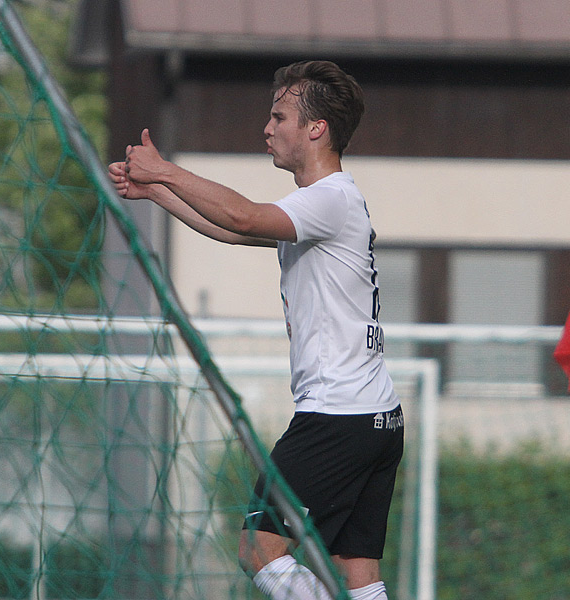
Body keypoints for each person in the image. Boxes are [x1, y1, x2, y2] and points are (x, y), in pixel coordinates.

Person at [109, 60, 403, 600]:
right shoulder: (325, 204)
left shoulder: (329, 198)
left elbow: (243, 216)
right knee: (357, 573)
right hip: (375, 419)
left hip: (335, 418)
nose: (268, 129)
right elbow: (240, 233)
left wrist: (166, 171)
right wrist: (158, 195)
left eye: (280, 116)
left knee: (257, 551)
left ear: (316, 129)